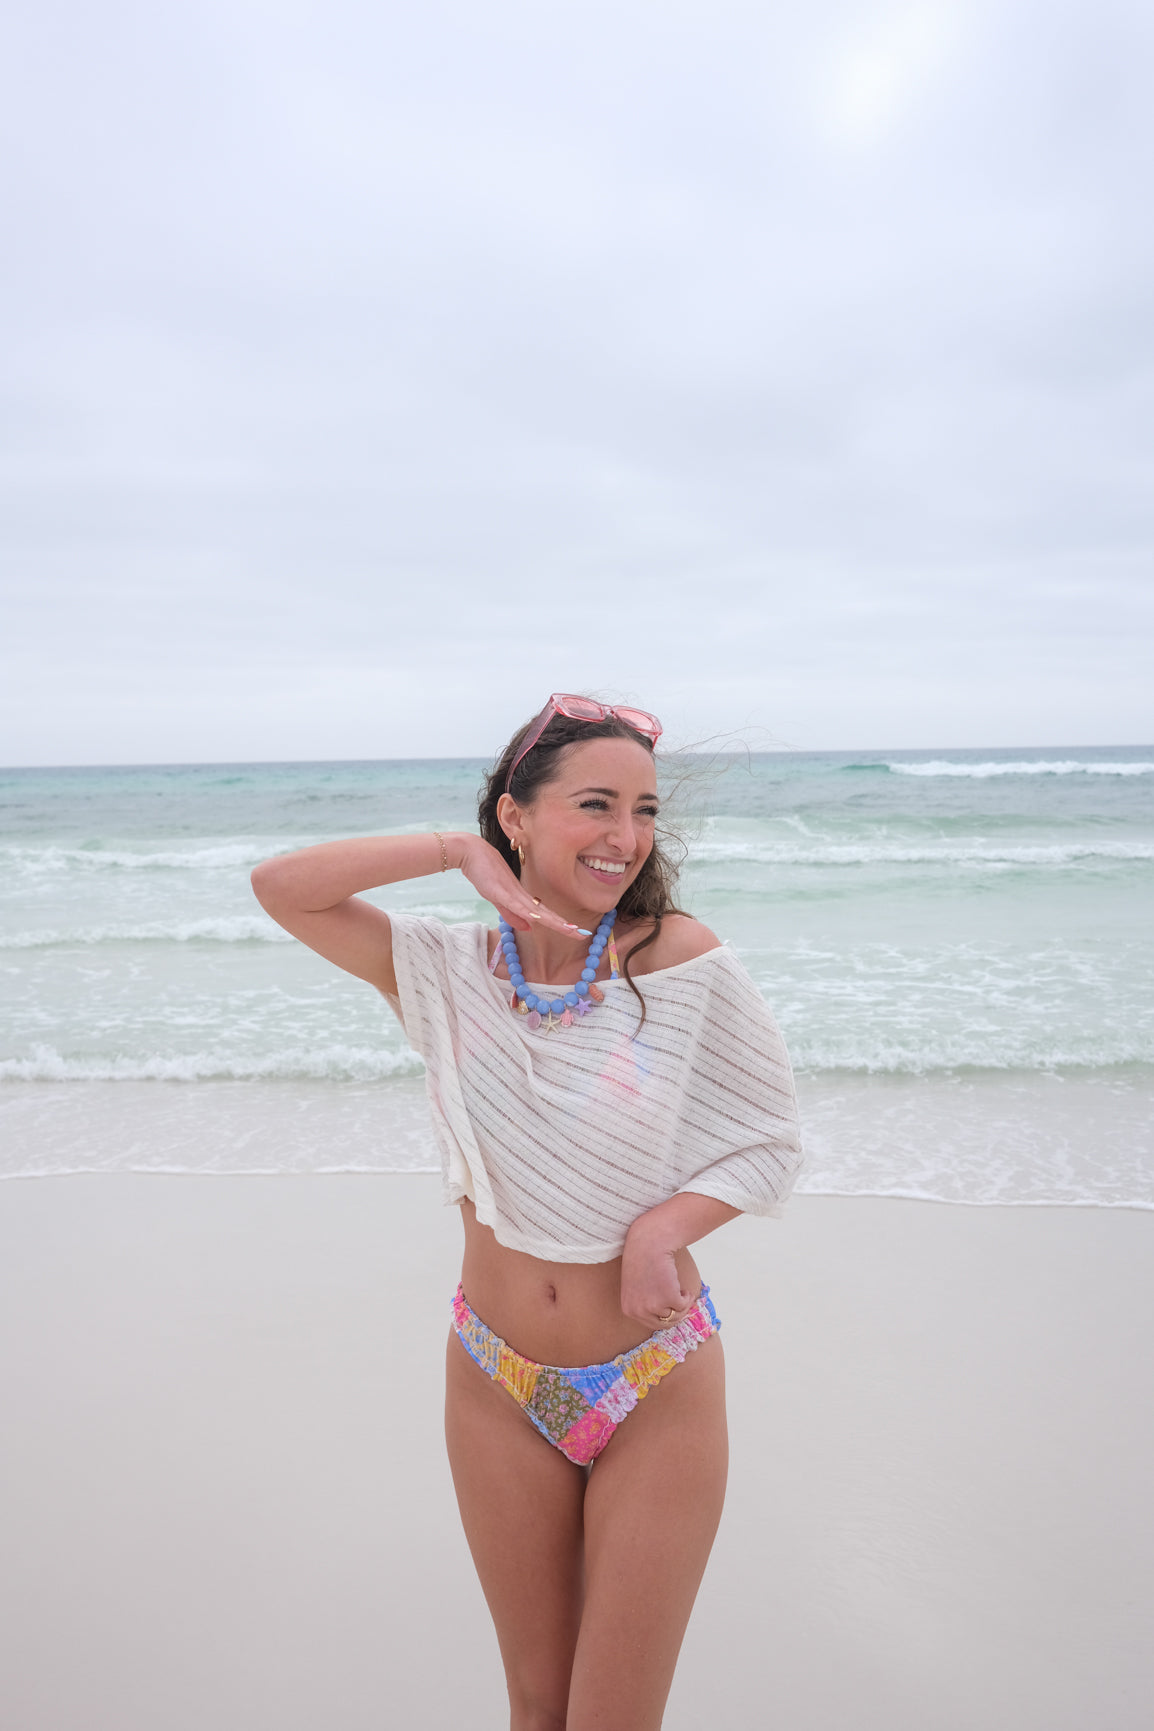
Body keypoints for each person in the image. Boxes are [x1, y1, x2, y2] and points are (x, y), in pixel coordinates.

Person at [251, 694, 802, 1731]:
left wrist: (661, 1229)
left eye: (641, 810)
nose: (624, 836)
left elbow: (768, 1138)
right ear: (518, 817)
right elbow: (282, 888)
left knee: (608, 1718)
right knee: (535, 1707)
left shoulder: (675, 958)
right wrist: (452, 850)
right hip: (492, 1376)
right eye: (594, 804)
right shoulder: (445, 970)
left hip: (652, 1379)